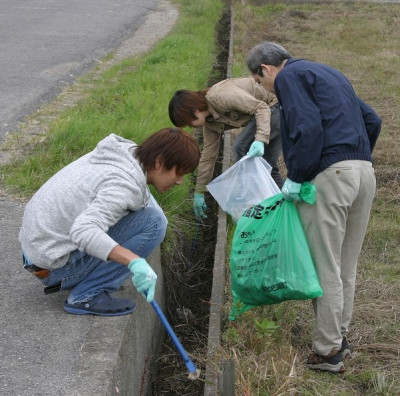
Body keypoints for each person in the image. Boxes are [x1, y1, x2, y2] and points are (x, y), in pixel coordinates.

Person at [247, 42, 381, 373]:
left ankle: (327, 351)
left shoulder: (289, 78)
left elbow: (307, 128)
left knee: (324, 266)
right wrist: (355, 157)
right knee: (344, 265)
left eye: (262, 83)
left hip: (331, 177)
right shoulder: (329, 73)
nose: (268, 90)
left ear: (266, 69)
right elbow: (372, 119)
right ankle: (340, 338)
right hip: (364, 173)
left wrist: (298, 176)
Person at [19, 128, 200, 316]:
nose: (180, 181)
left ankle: (95, 279)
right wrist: (133, 260)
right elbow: (83, 231)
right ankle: (86, 296)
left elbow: (142, 199)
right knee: (154, 225)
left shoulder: (127, 155)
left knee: (155, 219)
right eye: (179, 173)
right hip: (52, 265)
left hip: (36, 249)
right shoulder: (123, 186)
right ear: (159, 162)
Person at [168, 77, 283, 220]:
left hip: (277, 106)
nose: (191, 127)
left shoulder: (220, 96)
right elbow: (209, 155)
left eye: (188, 122)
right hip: (270, 114)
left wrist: (260, 139)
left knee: (240, 147)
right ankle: (284, 206)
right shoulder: (210, 122)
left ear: (195, 110)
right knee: (269, 165)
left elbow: (261, 108)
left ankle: (253, 202)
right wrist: (199, 191)